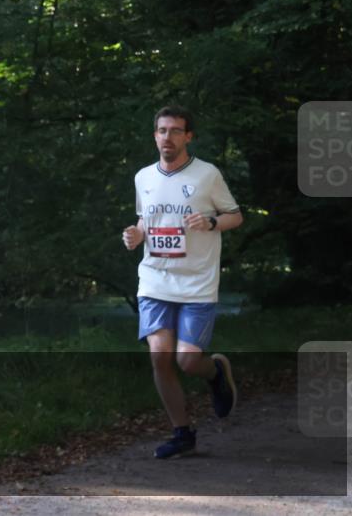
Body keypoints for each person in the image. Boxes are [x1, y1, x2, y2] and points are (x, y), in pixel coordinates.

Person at [122, 106, 243, 459]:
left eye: (176, 131)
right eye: (162, 130)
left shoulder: (207, 175)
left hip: (197, 284)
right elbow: (145, 221)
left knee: (188, 361)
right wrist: (135, 235)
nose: (168, 137)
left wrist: (211, 223)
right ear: (154, 135)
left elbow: (235, 216)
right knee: (160, 357)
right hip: (155, 281)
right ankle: (182, 433)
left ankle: (215, 371)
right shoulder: (143, 177)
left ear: (188, 136)